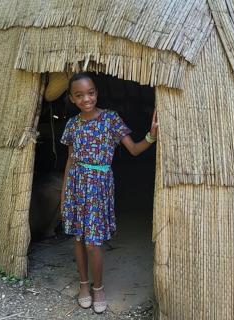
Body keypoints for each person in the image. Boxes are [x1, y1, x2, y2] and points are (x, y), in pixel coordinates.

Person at [60, 72, 158, 313]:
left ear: (96, 92)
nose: (86, 99)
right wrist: (63, 195)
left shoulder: (111, 119)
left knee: (93, 243)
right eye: (79, 95)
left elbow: (134, 149)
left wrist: (151, 136)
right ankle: (84, 284)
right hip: (76, 185)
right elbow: (70, 161)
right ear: (72, 98)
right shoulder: (72, 124)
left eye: (90, 93)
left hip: (99, 186)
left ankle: (98, 287)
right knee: (79, 238)